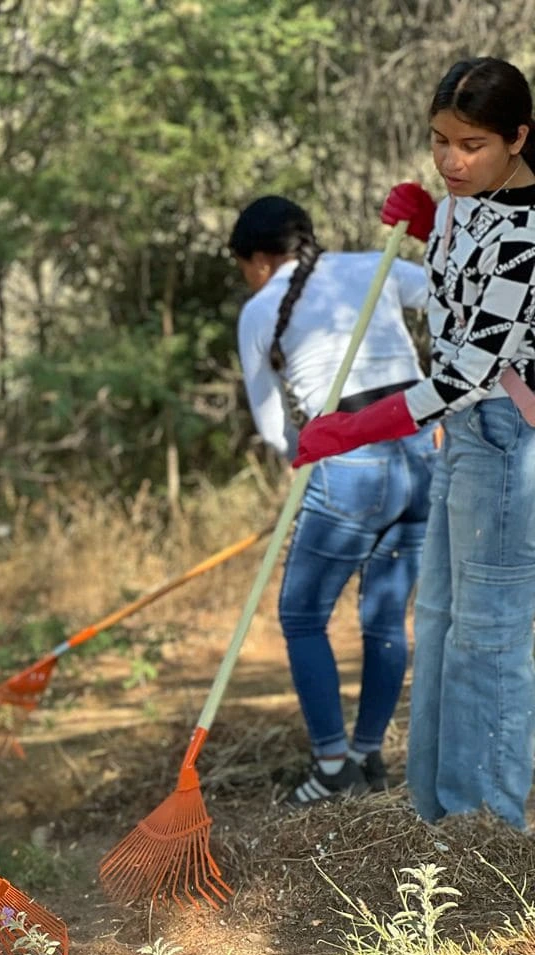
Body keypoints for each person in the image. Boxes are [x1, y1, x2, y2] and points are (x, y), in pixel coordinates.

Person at [295, 57, 535, 830]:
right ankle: (437, 815)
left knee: (488, 635)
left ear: (517, 138)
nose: (450, 161)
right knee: (435, 617)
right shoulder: (471, 203)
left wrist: (354, 427)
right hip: (461, 438)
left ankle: (485, 828)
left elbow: (466, 370)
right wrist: (433, 224)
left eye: (471, 145)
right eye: (439, 141)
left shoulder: (529, 235)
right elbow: (455, 295)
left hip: (507, 440)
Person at [229, 196, 436, 805]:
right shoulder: (373, 266)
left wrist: (307, 470)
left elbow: (274, 430)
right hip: (425, 450)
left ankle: (332, 765)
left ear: (261, 260)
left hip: (352, 463)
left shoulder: (260, 309)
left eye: (243, 265)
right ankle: (369, 753)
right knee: (384, 617)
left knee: (300, 616)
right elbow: (449, 295)